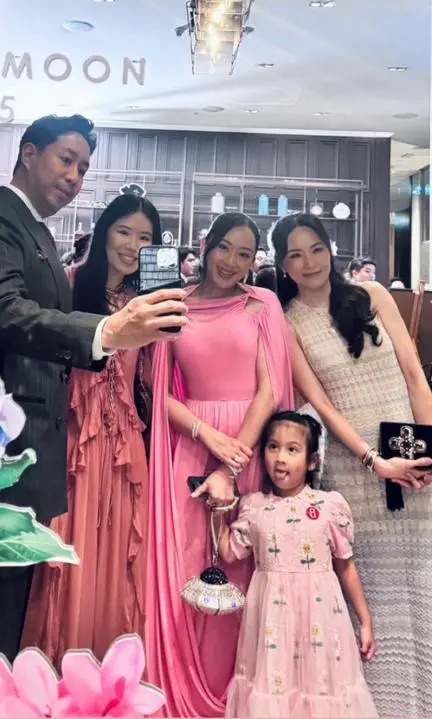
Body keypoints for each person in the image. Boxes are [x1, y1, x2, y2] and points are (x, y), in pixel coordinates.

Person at [0, 114, 188, 717]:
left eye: (83, 167)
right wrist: (107, 331)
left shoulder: (37, 233)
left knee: (7, 603)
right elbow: (5, 313)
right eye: (65, 159)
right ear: (29, 153)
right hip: (2, 448)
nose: (74, 176)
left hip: (38, 448)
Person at [270, 212, 432, 718]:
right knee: (372, 590)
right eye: (295, 254)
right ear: (282, 264)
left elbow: (414, 376)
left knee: (422, 577)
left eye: (316, 249)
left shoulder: (374, 295)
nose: (309, 262)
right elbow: (320, 402)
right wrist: (372, 461)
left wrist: (430, 448)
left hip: (413, 459)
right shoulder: (287, 321)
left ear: (330, 249)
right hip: (354, 469)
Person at [146, 212, 294, 717]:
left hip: (247, 445)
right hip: (191, 443)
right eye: (225, 248)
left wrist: (230, 464)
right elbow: (157, 391)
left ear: (255, 261)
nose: (232, 261)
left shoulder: (263, 303)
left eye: (245, 254)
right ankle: (184, 687)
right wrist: (206, 435)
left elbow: (270, 390)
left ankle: (241, 693)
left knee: (245, 565)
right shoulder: (174, 304)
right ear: (207, 245)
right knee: (188, 561)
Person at [23, 193, 161, 663]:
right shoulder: (68, 284)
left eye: (145, 238)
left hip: (125, 442)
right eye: (124, 232)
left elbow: (153, 377)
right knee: (70, 545)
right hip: (74, 439)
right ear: (104, 232)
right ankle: (62, 659)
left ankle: (112, 663)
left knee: (121, 550)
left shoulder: (146, 303)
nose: (133, 246)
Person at [219, 411, 378, 718]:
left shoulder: (329, 506)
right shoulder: (254, 507)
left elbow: (345, 566)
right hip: (272, 623)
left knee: (321, 690)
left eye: (292, 449)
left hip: (321, 619)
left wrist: (365, 621)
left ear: (312, 461)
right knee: (275, 691)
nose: (280, 458)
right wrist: (217, 510)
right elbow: (228, 552)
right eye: (273, 447)